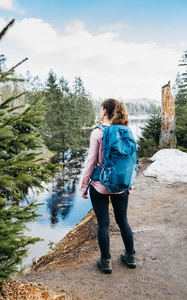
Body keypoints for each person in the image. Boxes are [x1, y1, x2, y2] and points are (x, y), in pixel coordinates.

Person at [79, 98, 136, 274]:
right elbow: (131, 160)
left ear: (104, 111)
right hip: (121, 186)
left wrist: (83, 186)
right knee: (123, 221)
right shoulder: (126, 130)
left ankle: (106, 262)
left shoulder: (98, 132)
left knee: (103, 223)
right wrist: (129, 184)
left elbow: (91, 162)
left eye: (101, 108)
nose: (100, 110)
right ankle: (130, 256)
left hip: (100, 185)